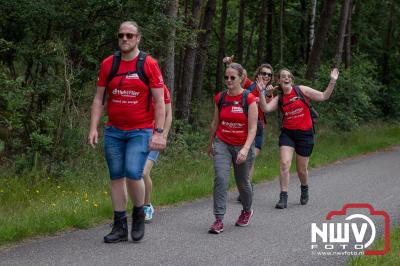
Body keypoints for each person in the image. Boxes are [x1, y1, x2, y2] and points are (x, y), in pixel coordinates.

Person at [88, 21, 166, 243]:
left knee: (133, 172)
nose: (125, 39)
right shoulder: (108, 64)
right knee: (116, 177)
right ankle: (120, 226)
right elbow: (98, 98)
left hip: (140, 130)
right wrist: (93, 127)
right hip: (113, 130)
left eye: (130, 35)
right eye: (121, 35)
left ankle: (139, 213)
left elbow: (160, 102)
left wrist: (158, 133)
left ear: (138, 38)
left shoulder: (149, 64)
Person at [257, 67, 339, 209]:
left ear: (292, 80)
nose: (286, 78)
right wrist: (261, 92)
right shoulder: (280, 98)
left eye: (289, 76)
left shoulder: (301, 90)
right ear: (279, 80)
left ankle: (304, 187)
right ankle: (283, 197)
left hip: (305, 135)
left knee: (301, 170)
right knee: (284, 163)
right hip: (288, 134)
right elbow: (265, 109)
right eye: (283, 76)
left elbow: (324, 96)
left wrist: (332, 81)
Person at [207, 63, 258, 234]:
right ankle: (218, 219)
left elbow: (253, 129)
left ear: (241, 78)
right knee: (221, 178)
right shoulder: (220, 98)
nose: (228, 80)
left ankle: (247, 210)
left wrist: (245, 149)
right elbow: (215, 123)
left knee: (242, 182)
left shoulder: (249, 99)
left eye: (232, 77)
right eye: (226, 77)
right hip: (222, 143)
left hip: (243, 146)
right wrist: (210, 143)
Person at [143, 85, 173, 222]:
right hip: (137, 133)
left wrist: (163, 136)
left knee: (143, 173)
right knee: (130, 174)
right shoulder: (135, 84)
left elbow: (168, 114)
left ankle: (147, 205)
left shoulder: (161, 88)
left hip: (155, 135)